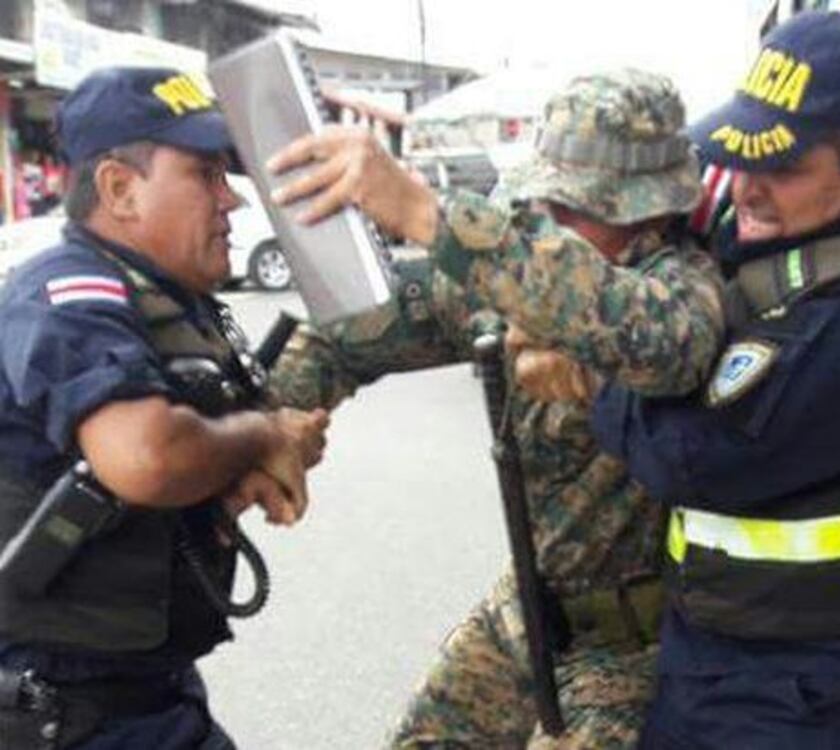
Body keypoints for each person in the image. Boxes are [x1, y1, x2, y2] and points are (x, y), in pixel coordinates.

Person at [266, 69, 724, 747]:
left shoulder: (685, 285)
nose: (548, 225)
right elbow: (354, 334)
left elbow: (656, 340)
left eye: (574, 211)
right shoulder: (519, 273)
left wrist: (426, 212)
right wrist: (270, 427)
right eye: (544, 206)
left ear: (648, 212)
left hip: (634, 652)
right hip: (531, 611)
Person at [582, 12, 840, 748]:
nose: (749, 190)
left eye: (782, 167)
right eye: (741, 158)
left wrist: (601, 372)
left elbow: (691, 458)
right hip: (722, 658)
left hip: (806, 694)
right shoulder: (788, 240)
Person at [0, 66, 329, 749]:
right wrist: (260, 436)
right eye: (205, 175)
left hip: (146, 692)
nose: (231, 200)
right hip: (66, 712)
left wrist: (258, 457)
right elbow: (147, 458)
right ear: (120, 189)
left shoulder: (166, 302)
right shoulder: (69, 294)